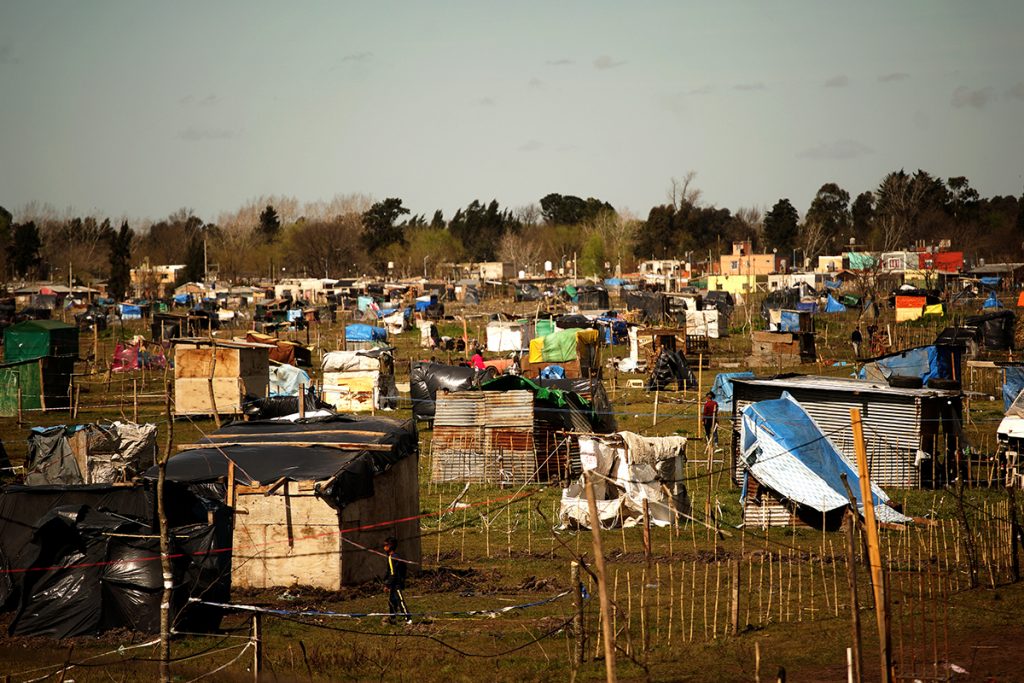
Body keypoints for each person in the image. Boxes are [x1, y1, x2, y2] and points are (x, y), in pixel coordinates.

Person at [383, 536, 411, 625]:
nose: (384, 547)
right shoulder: (396, 556)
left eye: (385, 545)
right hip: (395, 582)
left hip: (396, 583)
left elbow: (392, 573)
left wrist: (387, 585)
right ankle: (392, 617)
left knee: (400, 600)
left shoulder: (392, 558)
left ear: (390, 546)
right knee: (392, 601)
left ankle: (408, 618)